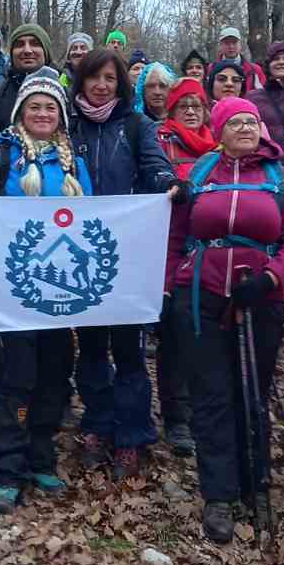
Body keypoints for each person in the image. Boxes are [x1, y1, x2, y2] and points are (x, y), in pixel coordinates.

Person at [166, 96, 284, 542]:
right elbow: (175, 235)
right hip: (201, 296)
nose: (247, 127)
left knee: (252, 391)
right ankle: (219, 494)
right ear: (219, 130)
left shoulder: (280, 177)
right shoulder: (199, 174)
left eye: (253, 121)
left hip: (260, 299)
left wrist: (270, 279)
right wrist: (172, 284)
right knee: (211, 395)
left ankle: (255, 480)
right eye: (236, 122)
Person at [0, 69, 93, 514]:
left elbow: (93, 218)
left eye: (50, 107)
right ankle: (7, 467)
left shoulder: (73, 161)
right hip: (12, 288)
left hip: (59, 292)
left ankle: (41, 455)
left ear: (60, 115)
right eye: (34, 106)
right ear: (21, 111)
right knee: (16, 376)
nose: (42, 113)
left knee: (55, 372)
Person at [67, 48, 177, 479]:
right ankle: (96, 423)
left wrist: (168, 183)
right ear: (82, 81)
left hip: (126, 251)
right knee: (92, 347)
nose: (101, 85)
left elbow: (154, 167)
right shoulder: (67, 125)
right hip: (79, 253)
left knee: (129, 349)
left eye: (110, 78)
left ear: (120, 84)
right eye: (94, 77)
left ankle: (132, 434)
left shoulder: (136, 125)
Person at [152, 78, 215, 457]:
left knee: (205, 338)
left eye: (197, 104)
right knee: (173, 338)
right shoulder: (160, 141)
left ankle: (202, 411)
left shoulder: (219, 146)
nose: (191, 110)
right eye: (183, 105)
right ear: (171, 110)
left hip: (210, 255)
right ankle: (175, 416)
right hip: (169, 249)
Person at [0, 23, 54, 150]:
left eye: (34, 43)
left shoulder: (68, 99)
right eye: (19, 45)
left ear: (46, 51)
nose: (27, 50)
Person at [252, 41, 284, 146]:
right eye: (276, 59)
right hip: (266, 159)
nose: (281, 62)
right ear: (268, 65)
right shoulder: (254, 98)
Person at [213, 26, 265, 91]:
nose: (231, 46)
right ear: (220, 45)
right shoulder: (211, 68)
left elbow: (264, 95)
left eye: (234, 42)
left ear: (240, 44)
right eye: (227, 43)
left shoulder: (255, 70)